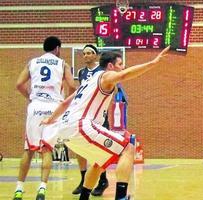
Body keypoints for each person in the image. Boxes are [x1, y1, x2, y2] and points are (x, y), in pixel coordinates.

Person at [40, 46, 170, 200]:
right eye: (120, 64)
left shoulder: (88, 81)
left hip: (65, 130)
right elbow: (126, 75)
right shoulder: (106, 76)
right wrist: (152, 63)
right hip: (81, 125)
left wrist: (50, 119)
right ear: (110, 66)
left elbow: (65, 103)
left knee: (99, 162)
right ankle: (121, 197)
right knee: (128, 148)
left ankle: (84, 197)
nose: (122, 67)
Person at [13, 36, 76, 200]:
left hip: (36, 106)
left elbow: (19, 84)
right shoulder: (63, 64)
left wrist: (30, 97)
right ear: (57, 49)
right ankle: (42, 189)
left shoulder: (32, 62)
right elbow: (72, 86)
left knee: (29, 149)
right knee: (46, 149)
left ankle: (19, 190)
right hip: (54, 108)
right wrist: (66, 104)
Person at [72, 44, 109, 196]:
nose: (86, 56)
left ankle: (102, 179)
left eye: (90, 53)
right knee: (79, 147)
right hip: (84, 116)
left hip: (99, 116)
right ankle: (83, 180)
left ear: (96, 55)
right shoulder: (81, 72)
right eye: (84, 53)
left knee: (98, 150)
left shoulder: (102, 72)